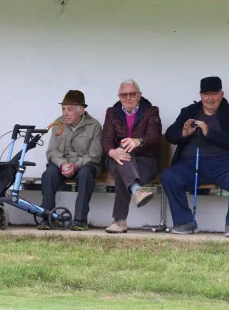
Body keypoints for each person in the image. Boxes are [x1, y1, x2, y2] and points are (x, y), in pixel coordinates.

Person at [161, 76, 229, 238]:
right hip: (191, 165)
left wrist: (209, 132)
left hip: (223, 165)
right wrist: (184, 133)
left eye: (214, 94)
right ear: (200, 95)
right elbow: (170, 135)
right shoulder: (189, 112)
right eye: (206, 94)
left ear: (221, 94)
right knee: (169, 176)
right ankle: (184, 222)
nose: (210, 98)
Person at [101, 79, 162, 234]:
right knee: (122, 156)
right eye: (124, 95)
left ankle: (119, 221)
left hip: (144, 162)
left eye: (132, 94)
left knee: (123, 170)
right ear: (119, 96)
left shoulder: (151, 111)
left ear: (139, 95)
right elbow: (106, 140)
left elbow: (155, 138)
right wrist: (112, 152)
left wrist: (139, 141)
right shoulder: (112, 112)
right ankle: (137, 191)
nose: (128, 97)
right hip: (116, 159)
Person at [40, 90, 103, 231]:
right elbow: (52, 151)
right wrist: (63, 164)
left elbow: (95, 155)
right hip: (62, 165)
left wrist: (76, 165)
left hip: (85, 165)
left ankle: (80, 221)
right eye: (63, 109)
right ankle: (47, 218)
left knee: (86, 174)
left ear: (81, 110)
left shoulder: (94, 126)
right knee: (48, 174)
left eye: (69, 109)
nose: (65, 113)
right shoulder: (58, 123)